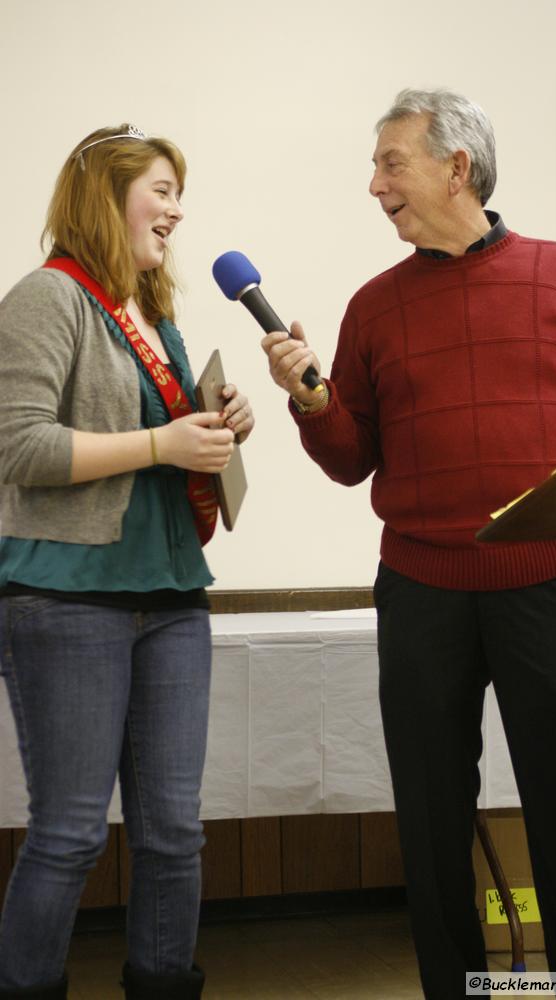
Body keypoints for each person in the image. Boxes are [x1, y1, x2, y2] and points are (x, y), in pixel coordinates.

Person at [261, 89, 556, 997]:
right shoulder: (373, 307)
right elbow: (351, 461)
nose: (374, 186)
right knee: (433, 819)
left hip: (547, 584)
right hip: (419, 590)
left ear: (456, 166)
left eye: (389, 163)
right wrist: (314, 403)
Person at [0, 124, 254, 999]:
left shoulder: (159, 314)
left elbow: (168, 447)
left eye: (179, 193)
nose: (177, 212)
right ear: (105, 198)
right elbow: (20, 449)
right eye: (161, 191)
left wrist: (218, 426)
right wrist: (161, 442)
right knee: (69, 833)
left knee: (174, 834)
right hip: (67, 596)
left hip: (174, 593)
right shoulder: (47, 297)